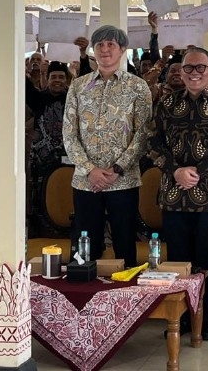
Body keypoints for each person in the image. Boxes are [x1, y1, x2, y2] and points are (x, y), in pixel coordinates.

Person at [149, 47, 208, 341]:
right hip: (174, 197)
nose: (194, 73)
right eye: (188, 68)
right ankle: (179, 318)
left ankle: (207, 318)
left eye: (201, 67)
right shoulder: (166, 104)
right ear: (180, 71)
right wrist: (175, 170)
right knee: (178, 263)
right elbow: (153, 143)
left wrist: (199, 171)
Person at [62, 25, 152, 268]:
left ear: (122, 49)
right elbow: (69, 133)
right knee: (85, 248)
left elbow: (143, 134)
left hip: (123, 180)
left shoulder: (137, 87)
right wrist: (90, 169)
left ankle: (126, 290)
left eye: (111, 44)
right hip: (86, 181)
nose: (105, 49)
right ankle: (84, 290)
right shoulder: (78, 86)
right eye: (100, 45)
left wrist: (118, 169)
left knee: (124, 244)